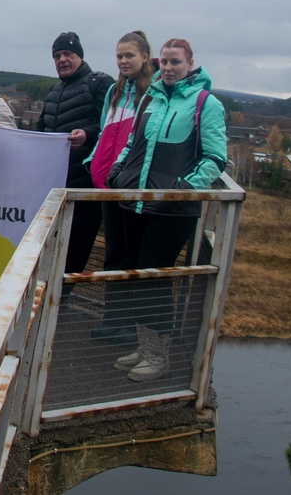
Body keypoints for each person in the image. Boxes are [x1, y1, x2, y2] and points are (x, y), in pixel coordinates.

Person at [104, 37, 227, 382]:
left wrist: (183, 189)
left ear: (190, 64)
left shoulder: (206, 103)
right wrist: (118, 173)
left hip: (172, 210)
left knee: (155, 278)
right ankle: (145, 348)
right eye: (166, 62)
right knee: (137, 275)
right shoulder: (151, 99)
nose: (170, 68)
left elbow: (216, 157)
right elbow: (133, 143)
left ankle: (159, 355)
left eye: (177, 62)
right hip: (135, 202)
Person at [85, 31, 156, 345]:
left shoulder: (153, 93)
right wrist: (93, 159)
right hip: (106, 182)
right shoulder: (114, 91)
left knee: (130, 254)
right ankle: (112, 320)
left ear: (144, 57)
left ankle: (128, 326)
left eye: (129, 55)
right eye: (119, 56)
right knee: (113, 252)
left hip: (131, 185)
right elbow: (104, 132)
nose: (124, 61)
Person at [34, 32, 114, 274]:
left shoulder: (100, 83)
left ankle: (61, 307)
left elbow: (112, 128)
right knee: (46, 254)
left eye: (68, 54)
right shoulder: (54, 91)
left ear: (79, 55)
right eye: (57, 55)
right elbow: (41, 131)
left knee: (73, 258)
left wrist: (88, 135)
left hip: (84, 188)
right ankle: (45, 306)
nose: (62, 59)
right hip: (53, 188)